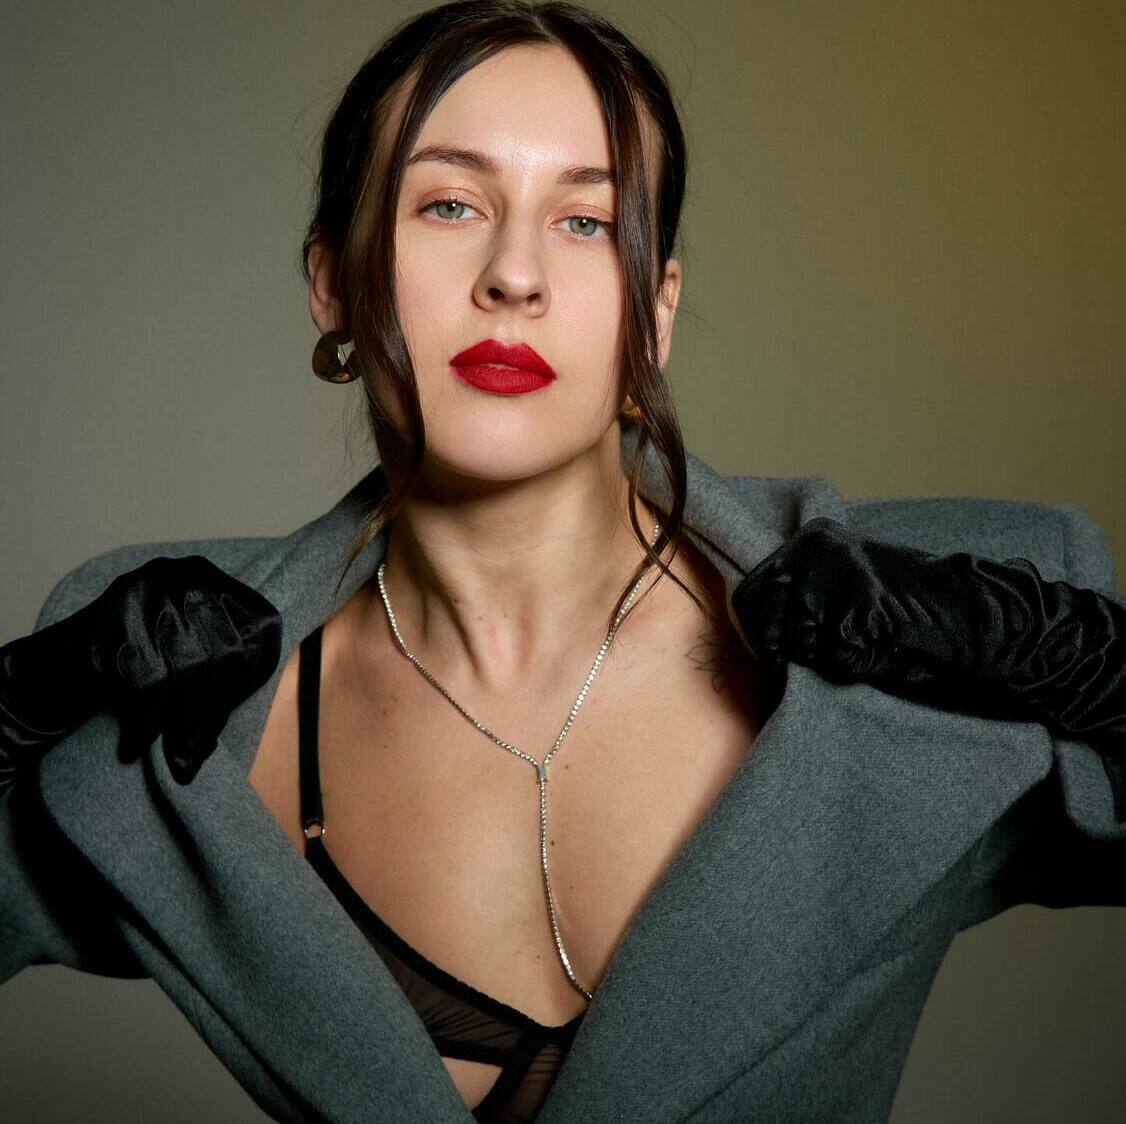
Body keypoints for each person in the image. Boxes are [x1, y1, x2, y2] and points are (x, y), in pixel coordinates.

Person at [2, 3, 1124, 1123]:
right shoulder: (177, 694)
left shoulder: (942, 620)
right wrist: (20, 706)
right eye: (449, 204)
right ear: (333, 282)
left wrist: (1082, 670)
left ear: (656, 314)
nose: (515, 276)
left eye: (586, 221)